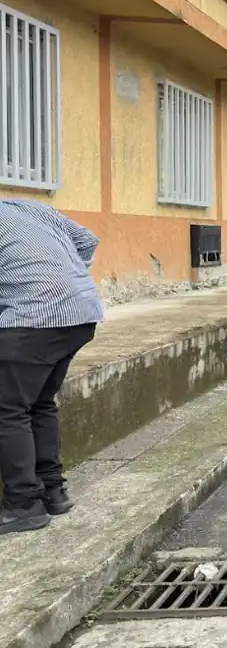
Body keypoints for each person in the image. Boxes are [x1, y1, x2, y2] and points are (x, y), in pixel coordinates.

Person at [0, 201, 104, 535]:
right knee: (39, 401)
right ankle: (52, 491)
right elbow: (87, 240)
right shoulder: (26, 206)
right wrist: (63, 282)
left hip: (35, 317)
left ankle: (23, 505)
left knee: (7, 409)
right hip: (81, 312)